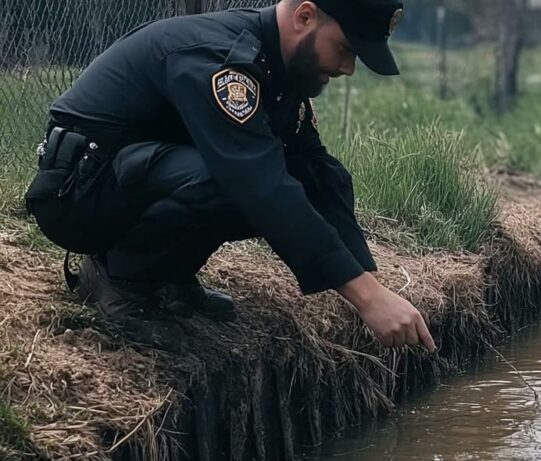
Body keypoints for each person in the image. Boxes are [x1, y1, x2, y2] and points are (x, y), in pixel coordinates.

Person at [22, 0, 434, 352]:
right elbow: (260, 186)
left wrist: (372, 283)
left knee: (310, 174)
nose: (347, 68)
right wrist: (367, 300)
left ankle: (169, 276)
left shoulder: (277, 65)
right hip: (79, 194)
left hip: (134, 176)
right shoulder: (222, 61)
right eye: (345, 48)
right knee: (238, 182)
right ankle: (120, 279)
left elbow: (319, 174)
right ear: (305, 16)